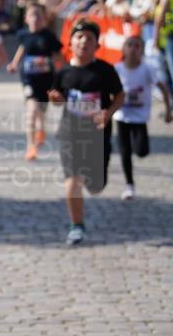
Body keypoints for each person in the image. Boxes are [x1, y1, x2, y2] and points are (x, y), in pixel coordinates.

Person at [48, 19, 124, 246]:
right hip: (70, 133)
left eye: (89, 38)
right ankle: (76, 226)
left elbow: (120, 97)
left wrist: (108, 113)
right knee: (72, 180)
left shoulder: (105, 71)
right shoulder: (63, 73)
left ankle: (93, 183)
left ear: (96, 45)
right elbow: (58, 99)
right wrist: (56, 100)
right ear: (70, 43)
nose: (84, 42)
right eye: (79, 37)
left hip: (98, 135)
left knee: (96, 186)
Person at [114, 35, 172, 200]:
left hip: (139, 117)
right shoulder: (117, 68)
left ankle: (136, 146)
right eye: (130, 45)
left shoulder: (147, 69)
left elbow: (163, 88)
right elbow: (106, 90)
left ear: (142, 51)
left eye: (137, 46)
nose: (133, 49)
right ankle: (129, 185)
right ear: (123, 49)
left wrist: (168, 110)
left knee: (141, 151)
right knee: (125, 153)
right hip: (122, 116)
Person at [7, 1, 63, 160]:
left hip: (46, 80)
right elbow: (22, 49)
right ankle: (30, 147)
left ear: (44, 18)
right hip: (28, 80)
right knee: (31, 111)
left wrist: (60, 74)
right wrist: (14, 63)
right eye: (32, 15)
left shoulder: (49, 36)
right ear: (26, 18)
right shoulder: (23, 35)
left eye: (39, 15)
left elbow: (58, 57)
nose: (35, 18)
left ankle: (41, 129)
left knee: (41, 112)